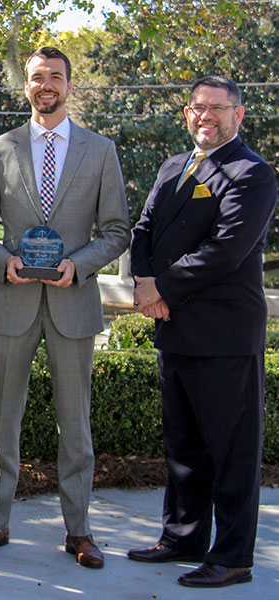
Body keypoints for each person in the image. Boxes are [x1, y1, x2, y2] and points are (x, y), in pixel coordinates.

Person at [0, 47, 129, 568]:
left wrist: (77, 266)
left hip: (72, 301)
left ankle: (78, 531)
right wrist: (3, 260)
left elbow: (117, 231)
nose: (45, 85)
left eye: (55, 76)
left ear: (69, 85)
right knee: (3, 421)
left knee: (75, 425)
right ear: (27, 86)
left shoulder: (100, 151)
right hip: (14, 298)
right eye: (37, 78)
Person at [128, 75, 277, 588]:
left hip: (223, 334)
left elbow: (224, 251)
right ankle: (184, 536)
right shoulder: (173, 166)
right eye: (197, 107)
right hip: (175, 328)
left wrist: (159, 290)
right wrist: (145, 282)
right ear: (187, 113)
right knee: (184, 445)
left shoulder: (253, 173)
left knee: (231, 452)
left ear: (238, 114)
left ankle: (232, 556)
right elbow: (142, 229)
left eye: (217, 107)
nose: (205, 115)